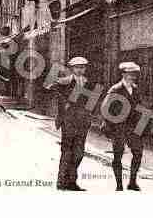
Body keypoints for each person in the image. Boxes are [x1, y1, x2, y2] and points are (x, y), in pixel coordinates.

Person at [50, 57, 94, 191]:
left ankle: (72, 182)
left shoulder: (89, 84)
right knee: (67, 151)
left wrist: (90, 113)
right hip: (68, 121)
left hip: (83, 122)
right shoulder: (64, 82)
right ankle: (62, 181)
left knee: (79, 152)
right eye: (77, 67)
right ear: (72, 69)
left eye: (82, 67)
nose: (80, 69)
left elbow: (93, 102)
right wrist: (65, 103)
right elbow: (51, 89)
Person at [102, 62, 144, 191]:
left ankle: (132, 182)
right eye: (130, 74)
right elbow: (105, 109)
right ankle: (119, 185)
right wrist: (110, 126)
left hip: (133, 128)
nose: (132, 77)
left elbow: (139, 108)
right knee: (118, 155)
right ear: (123, 74)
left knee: (138, 153)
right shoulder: (115, 89)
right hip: (118, 127)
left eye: (134, 74)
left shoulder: (136, 90)